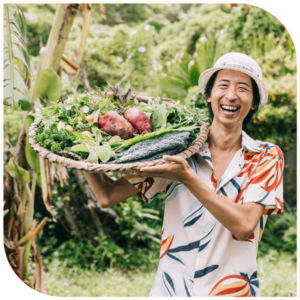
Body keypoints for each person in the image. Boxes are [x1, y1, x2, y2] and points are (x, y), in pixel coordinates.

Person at [83, 52, 284, 297]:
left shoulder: (266, 156)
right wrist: (82, 147)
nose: (231, 95)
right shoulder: (176, 150)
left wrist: (188, 177)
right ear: (209, 96)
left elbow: (244, 226)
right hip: (171, 291)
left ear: (253, 102)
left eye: (243, 88)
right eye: (223, 85)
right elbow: (107, 195)